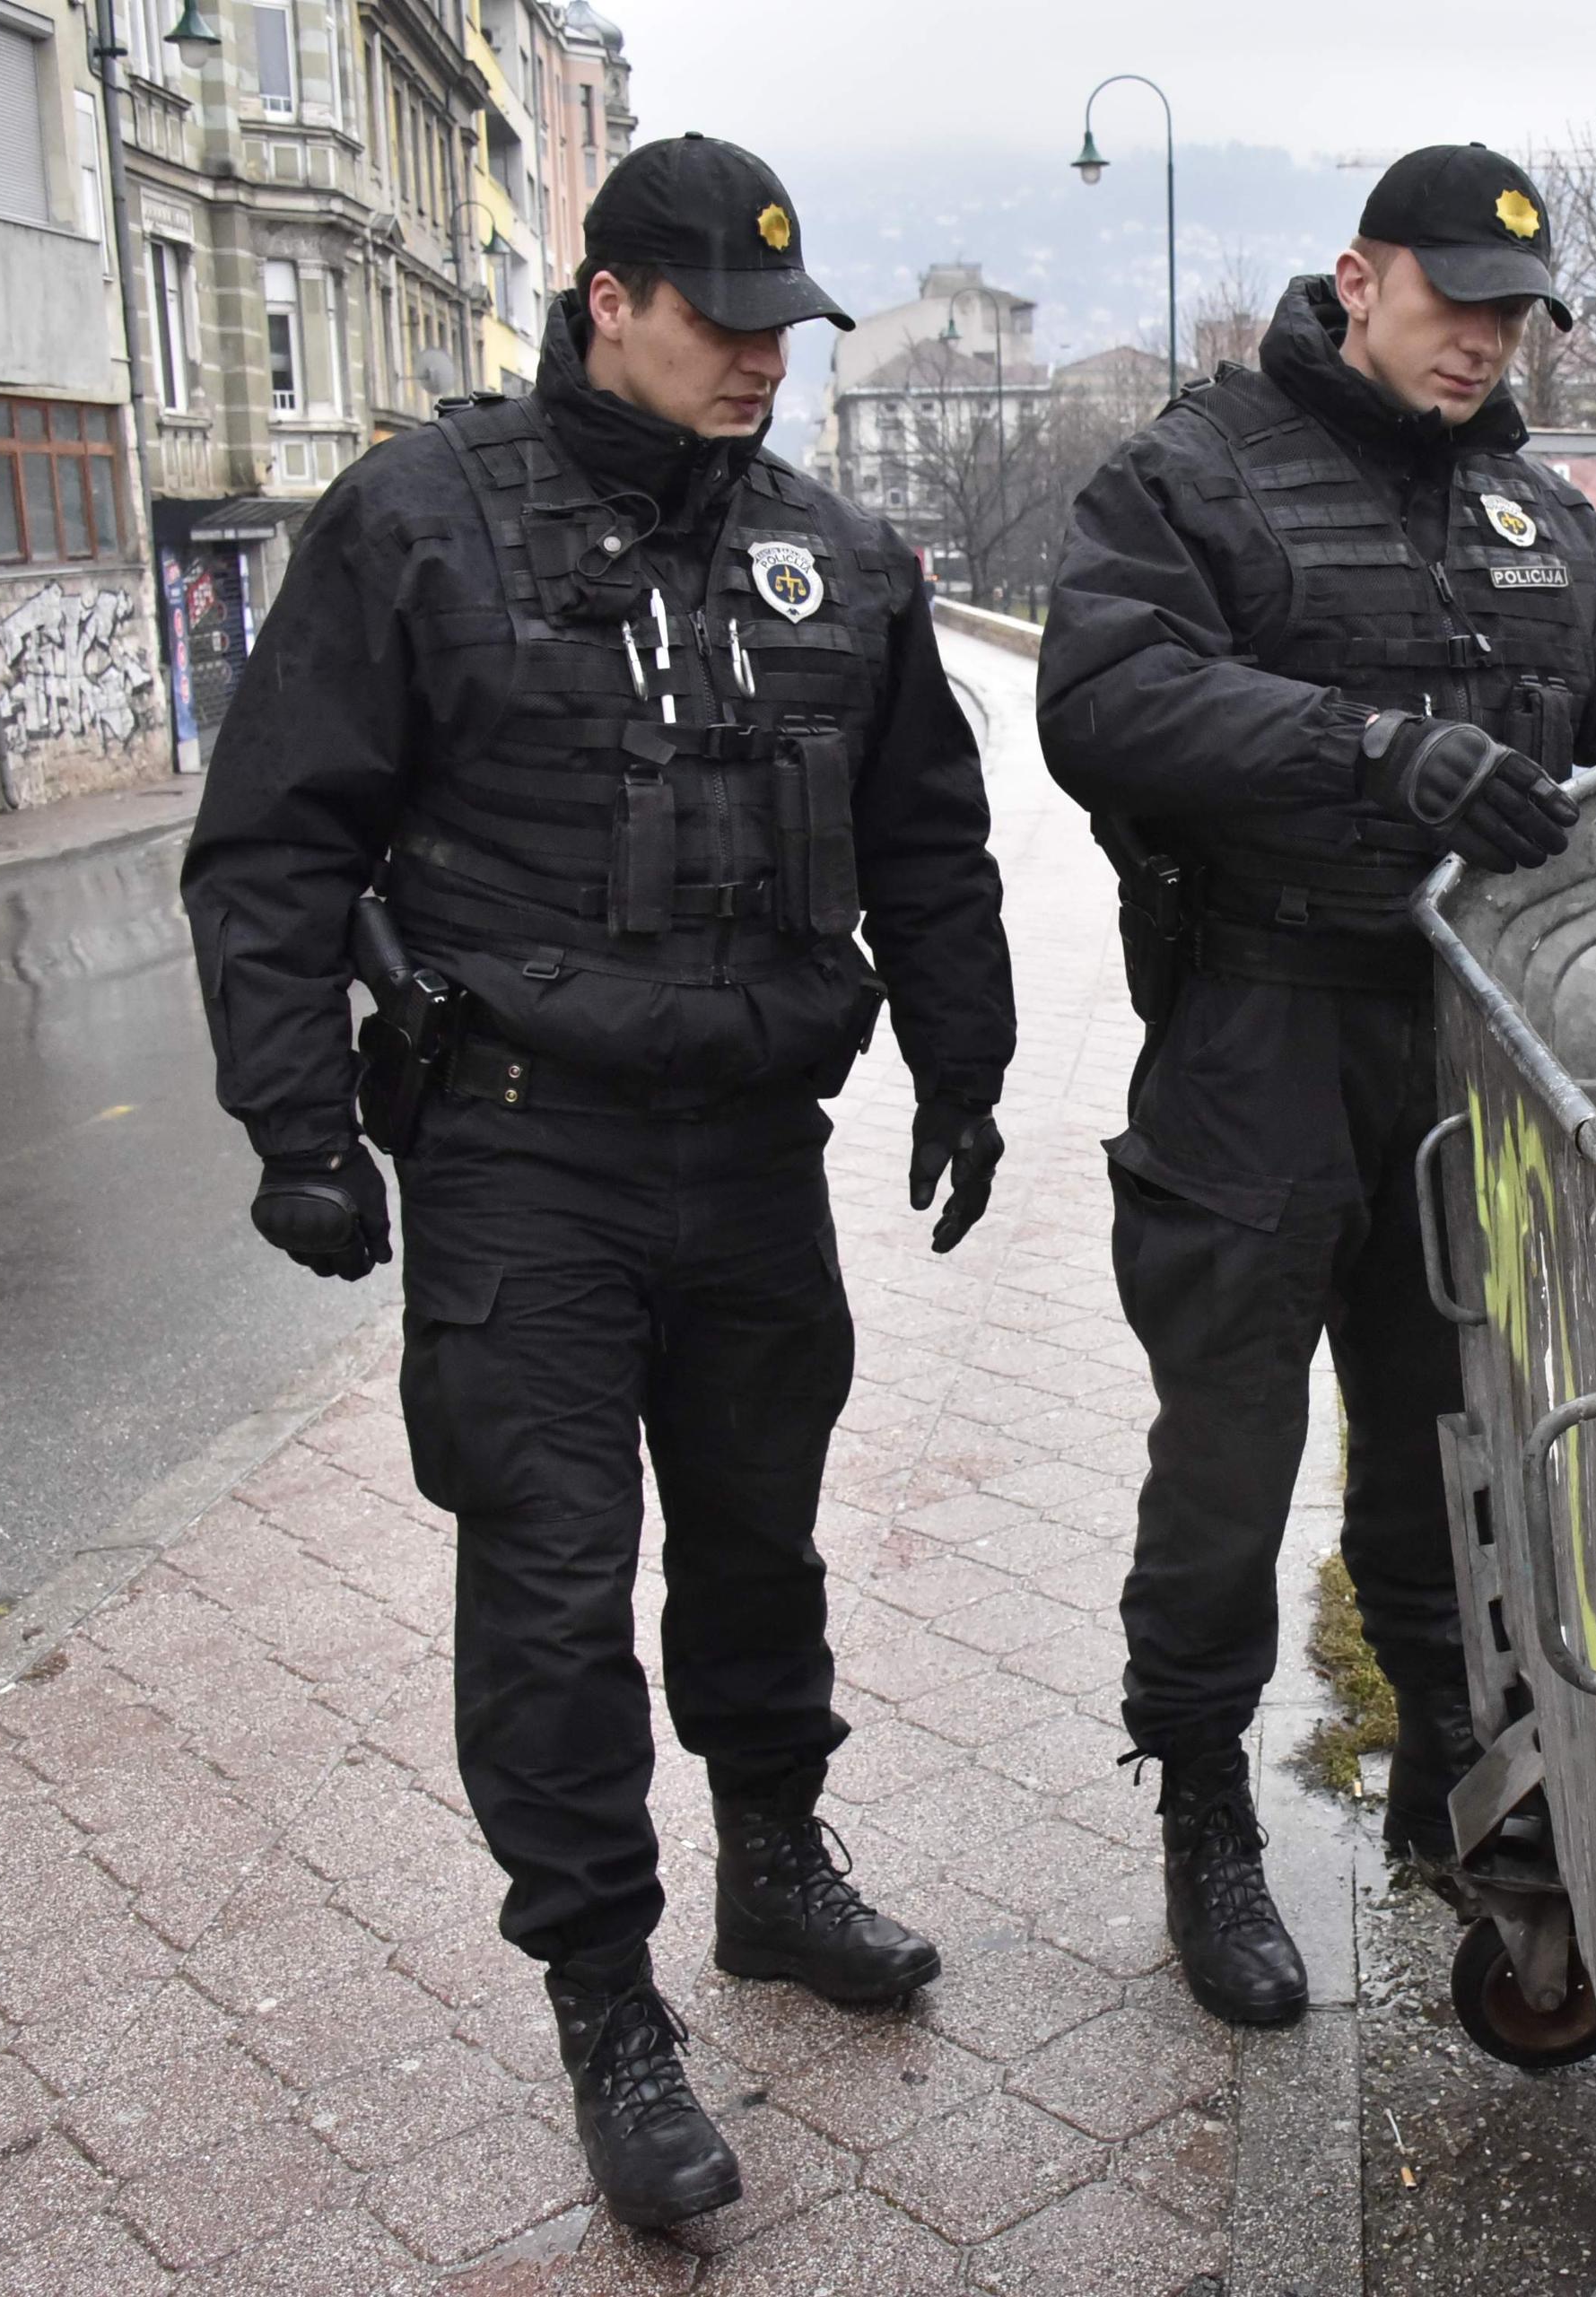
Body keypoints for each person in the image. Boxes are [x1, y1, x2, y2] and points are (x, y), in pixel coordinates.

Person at [180, 134, 1014, 2225]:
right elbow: (277, 841)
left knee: (759, 1540)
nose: (761, 366)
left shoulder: (836, 557)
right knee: (552, 1588)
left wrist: (966, 1067)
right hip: (521, 1156)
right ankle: (607, 2001)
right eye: (723, 327)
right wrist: (297, 1122)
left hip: (751, 1155)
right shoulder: (419, 525)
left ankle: (771, 1869)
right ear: (608, 297)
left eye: (783, 334)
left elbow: (928, 840)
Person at [1037, 144, 1596, 2027]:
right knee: (1228, 1451)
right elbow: (1103, 698)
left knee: (1458, 1447)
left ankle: (1460, 1798)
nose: (1481, 338)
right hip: (1263, 1024)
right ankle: (1206, 1809)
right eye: (1452, 298)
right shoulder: (1198, 473)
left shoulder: (1535, 508)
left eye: (1511, 313)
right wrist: (1376, 751)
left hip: (1470, 1046)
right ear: (1358, 276)